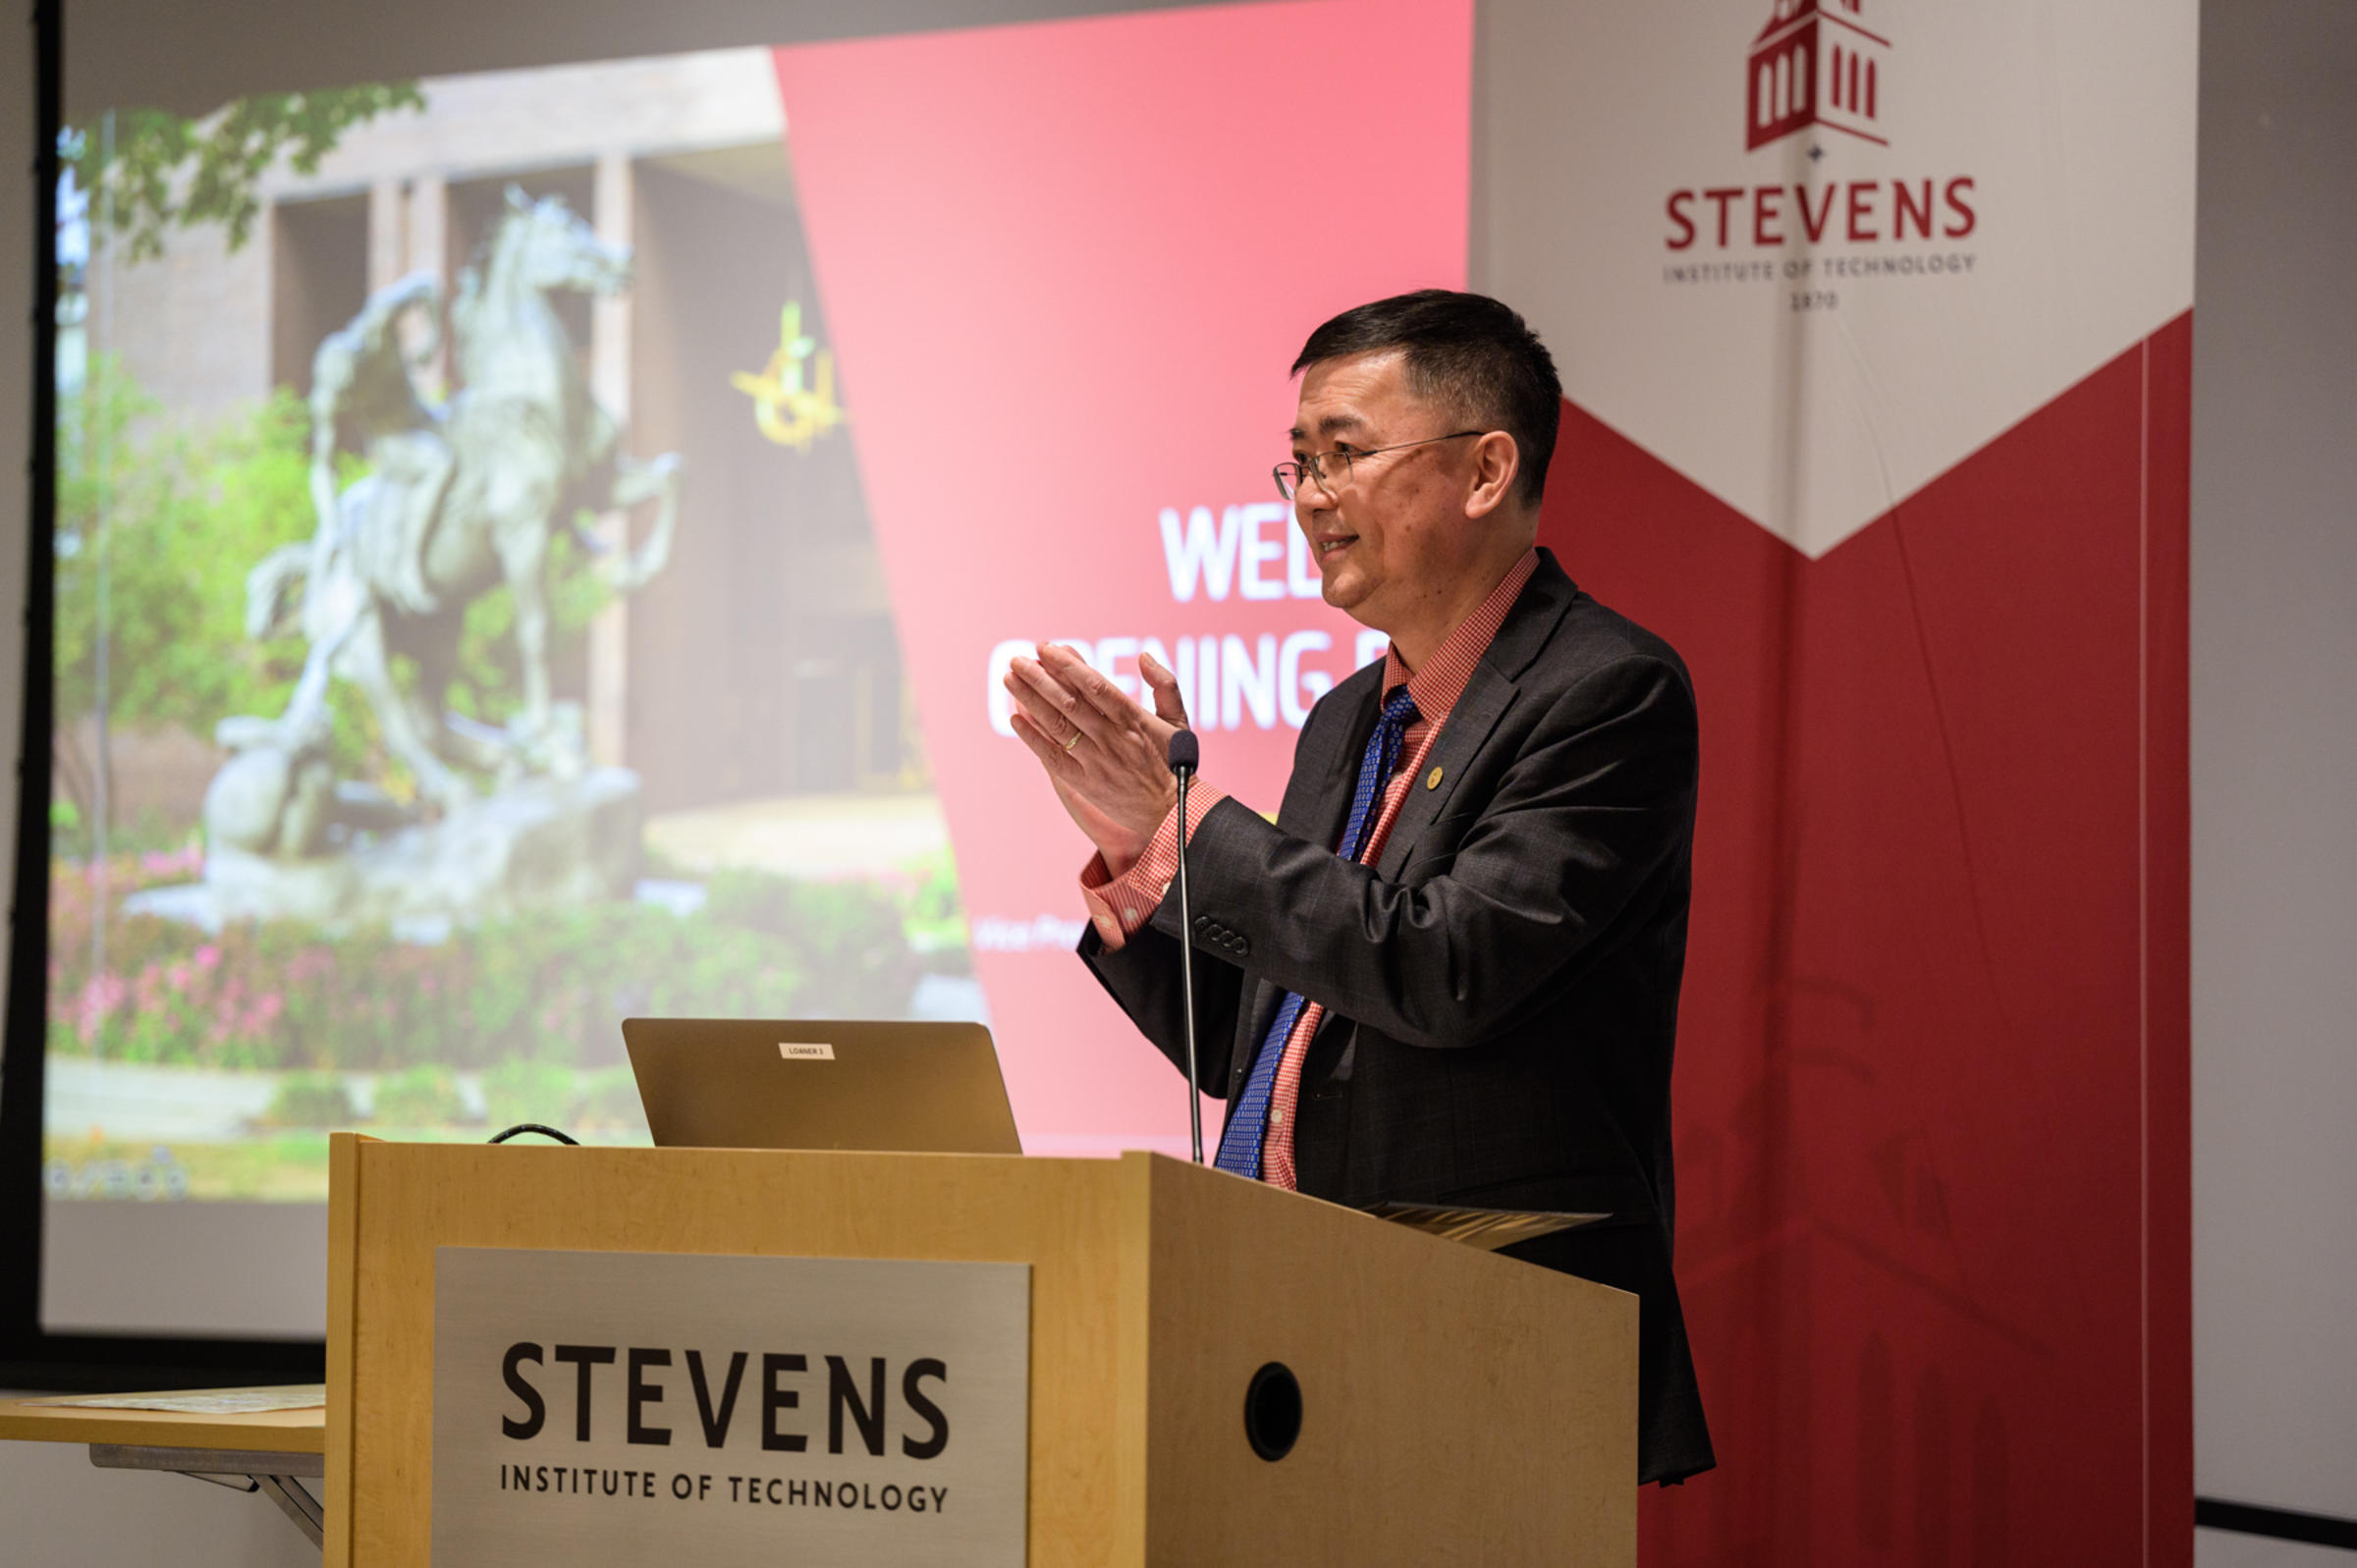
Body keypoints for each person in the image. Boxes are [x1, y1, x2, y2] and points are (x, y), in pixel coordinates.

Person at [1002, 289, 1714, 1485]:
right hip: (1290, 1333)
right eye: (1298, 464)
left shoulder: (1608, 691)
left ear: (1488, 469)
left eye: (1345, 453)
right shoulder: (1346, 718)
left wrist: (1198, 829)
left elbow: (1444, 968)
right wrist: (1143, 855)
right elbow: (1254, 1035)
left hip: (1492, 1325)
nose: (1313, 497)